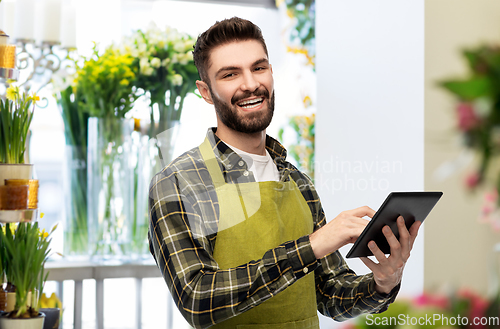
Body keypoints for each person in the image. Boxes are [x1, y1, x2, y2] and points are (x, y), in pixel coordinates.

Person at [148, 17, 421, 329]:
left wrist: (383, 282)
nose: (250, 84)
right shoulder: (179, 182)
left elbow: (331, 293)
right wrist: (312, 246)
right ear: (206, 92)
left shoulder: (297, 182)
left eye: (259, 68)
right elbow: (197, 299)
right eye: (230, 74)